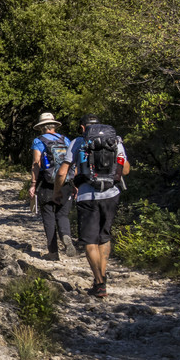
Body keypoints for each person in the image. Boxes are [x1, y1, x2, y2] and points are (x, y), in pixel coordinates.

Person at [55, 115, 132, 297]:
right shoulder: (115, 141)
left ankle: (98, 283)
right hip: (111, 194)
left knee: (90, 241)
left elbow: (62, 172)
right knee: (104, 237)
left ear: (83, 128)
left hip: (86, 196)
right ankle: (102, 277)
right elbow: (126, 170)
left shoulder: (77, 142)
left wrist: (57, 192)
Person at [26, 112, 74, 260]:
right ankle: (66, 235)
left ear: (41, 127)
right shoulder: (66, 140)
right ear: (54, 126)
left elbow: (36, 163)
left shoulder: (38, 141)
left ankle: (53, 253)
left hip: (46, 183)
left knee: (48, 217)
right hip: (65, 182)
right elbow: (73, 162)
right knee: (63, 215)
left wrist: (33, 183)